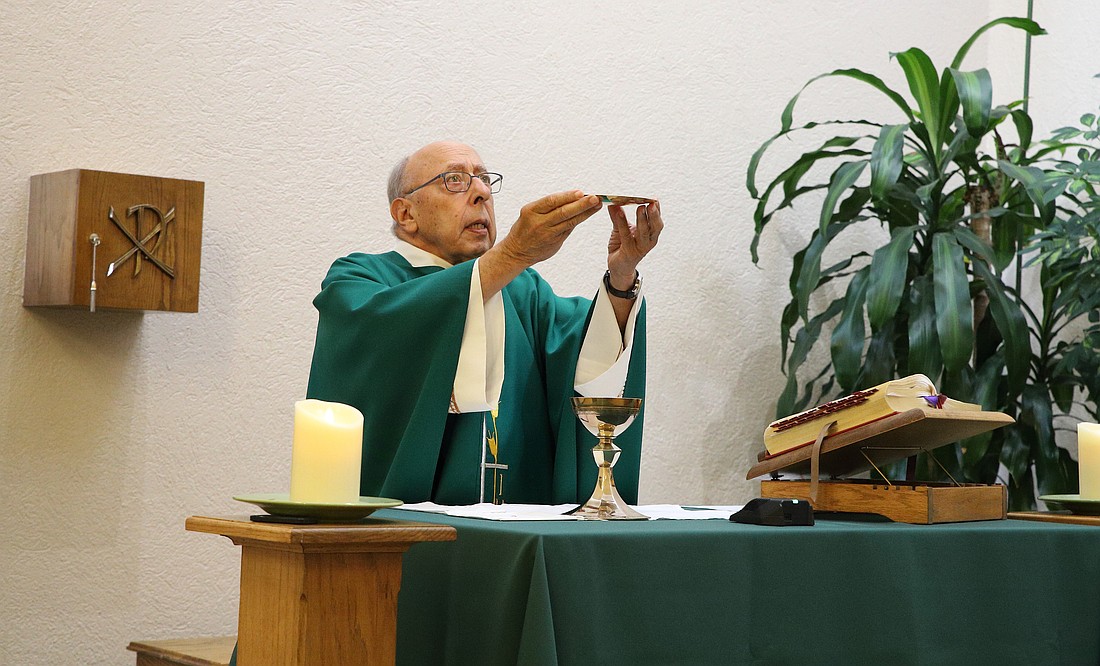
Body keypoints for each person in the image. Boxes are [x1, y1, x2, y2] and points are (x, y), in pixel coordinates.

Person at [305, 140, 662, 504]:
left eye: (484, 180)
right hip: (405, 539)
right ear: (405, 214)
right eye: (455, 180)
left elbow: (589, 365)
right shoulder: (360, 278)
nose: (480, 192)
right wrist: (513, 254)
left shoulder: (523, 291)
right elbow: (387, 339)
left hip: (518, 531)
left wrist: (620, 280)